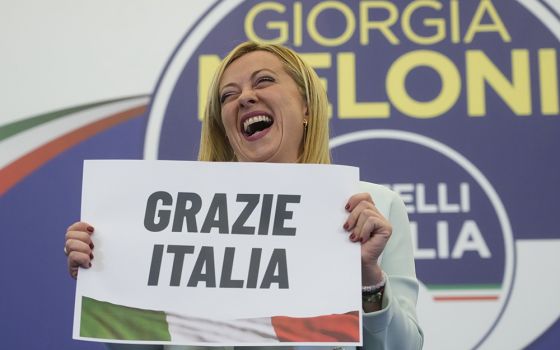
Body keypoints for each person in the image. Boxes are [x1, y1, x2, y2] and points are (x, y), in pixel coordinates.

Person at [65, 41, 423, 350]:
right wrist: (105, 278)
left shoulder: (373, 209)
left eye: (264, 81)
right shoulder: (180, 215)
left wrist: (368, 277)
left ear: (307, 108)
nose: (245, 97)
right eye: (228, 95)